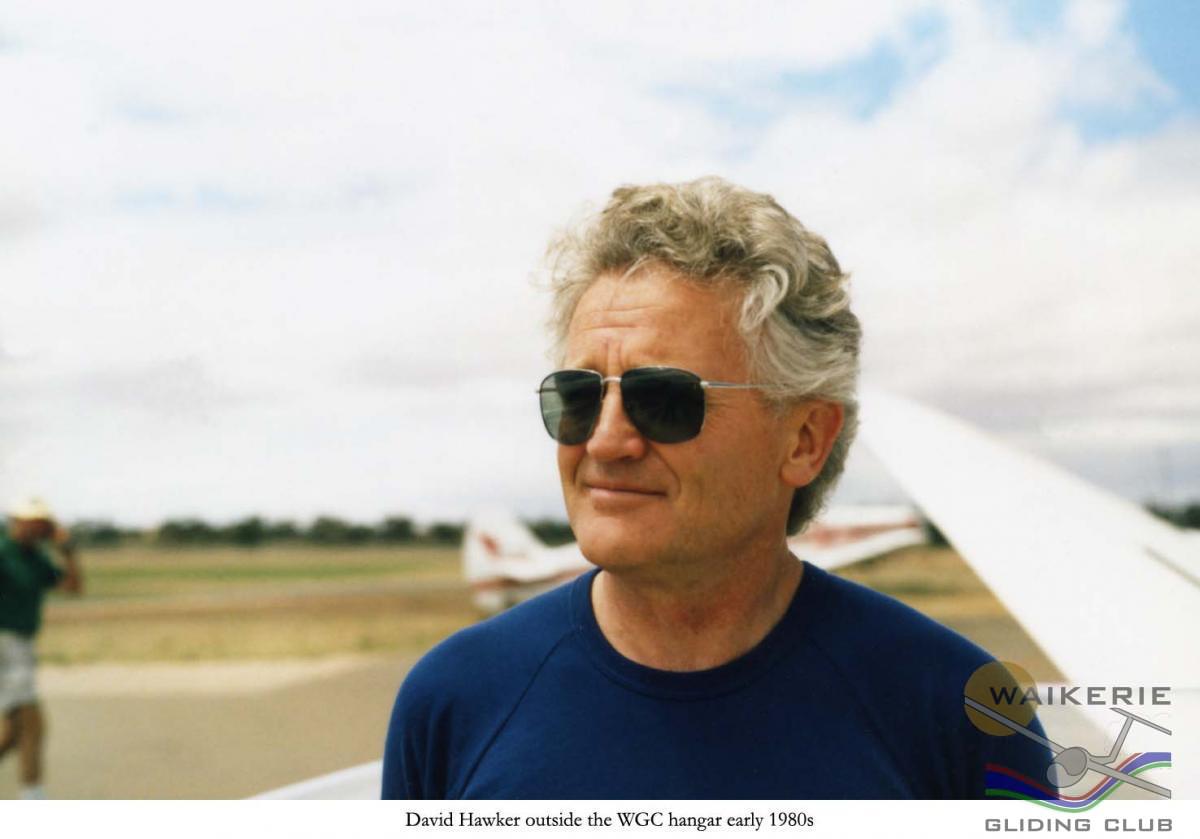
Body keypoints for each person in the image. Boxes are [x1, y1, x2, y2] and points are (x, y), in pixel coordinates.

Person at [382, 177, 1051, 799]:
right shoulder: (450, 703)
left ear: (804, 439)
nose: (606, 441)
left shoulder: (964, 718)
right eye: (577, 397)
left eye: (664, 399)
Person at [0, 498, 82, 799]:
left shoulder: (36, 558)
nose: (40, 530)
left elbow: (73, 587)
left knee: (13, 731)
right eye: (35, 523)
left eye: (44, 525)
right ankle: (33, 798)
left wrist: (68, 552)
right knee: (32, 724)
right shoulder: (3, 552)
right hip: (4, 644)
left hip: (22, 646)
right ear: (19, 523)